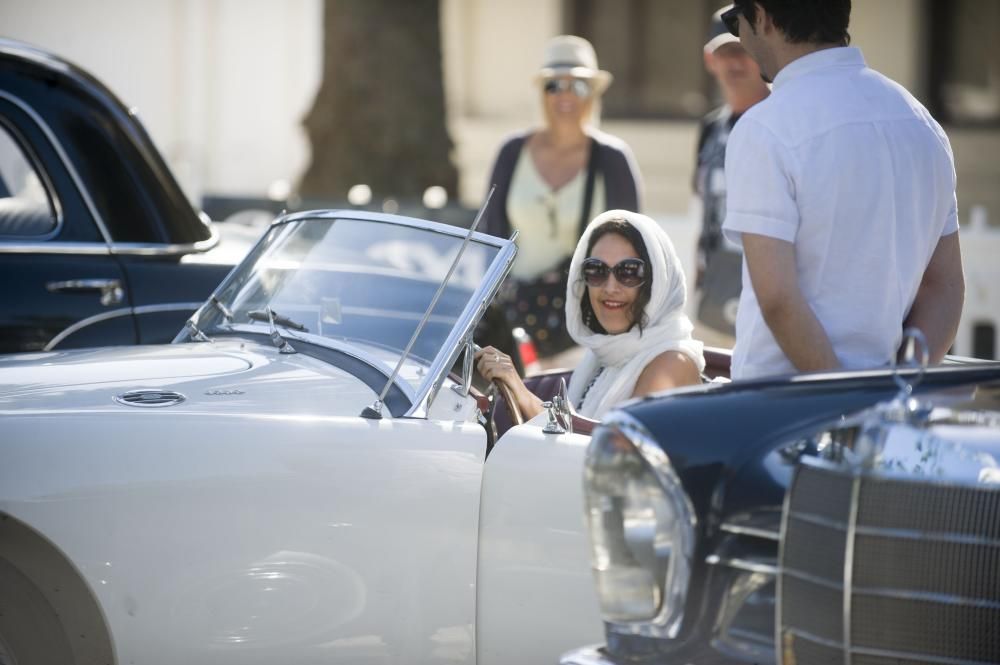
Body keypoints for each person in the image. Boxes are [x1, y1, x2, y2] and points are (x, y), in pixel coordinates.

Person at [720, 0, 965, 380]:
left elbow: (778, 298)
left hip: (779, 408)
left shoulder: (765, 128)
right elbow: (944, 288)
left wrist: (846, 402)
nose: (742, 41)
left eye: (738, 25)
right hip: (883, 412)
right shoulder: (921, 124)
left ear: (763, 18)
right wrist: (894, 397)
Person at [483, 35, 642, 366]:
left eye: (579, 86)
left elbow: (634, 250)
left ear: (594, 93)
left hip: (589, 327)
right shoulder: (512, 152)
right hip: (516, 324)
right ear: (541, 92)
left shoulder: (613, 159)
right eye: (554, 85)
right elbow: (490, 240)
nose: (566, 95)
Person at [477, 210, 704, 421]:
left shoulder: (672, 364)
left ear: (659, 283)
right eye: (596, 270)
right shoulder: (605, 354)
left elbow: (608, 452)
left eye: (629, 271)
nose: (610, 286)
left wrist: (522, 394)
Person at [692, 4, 770, 338]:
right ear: (711, 60)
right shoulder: (710, 128)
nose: (735, 62)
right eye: (725, 52)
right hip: (715, 293)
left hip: (769, 288)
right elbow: (701, 204)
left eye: (743, 51)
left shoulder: (782, 117)